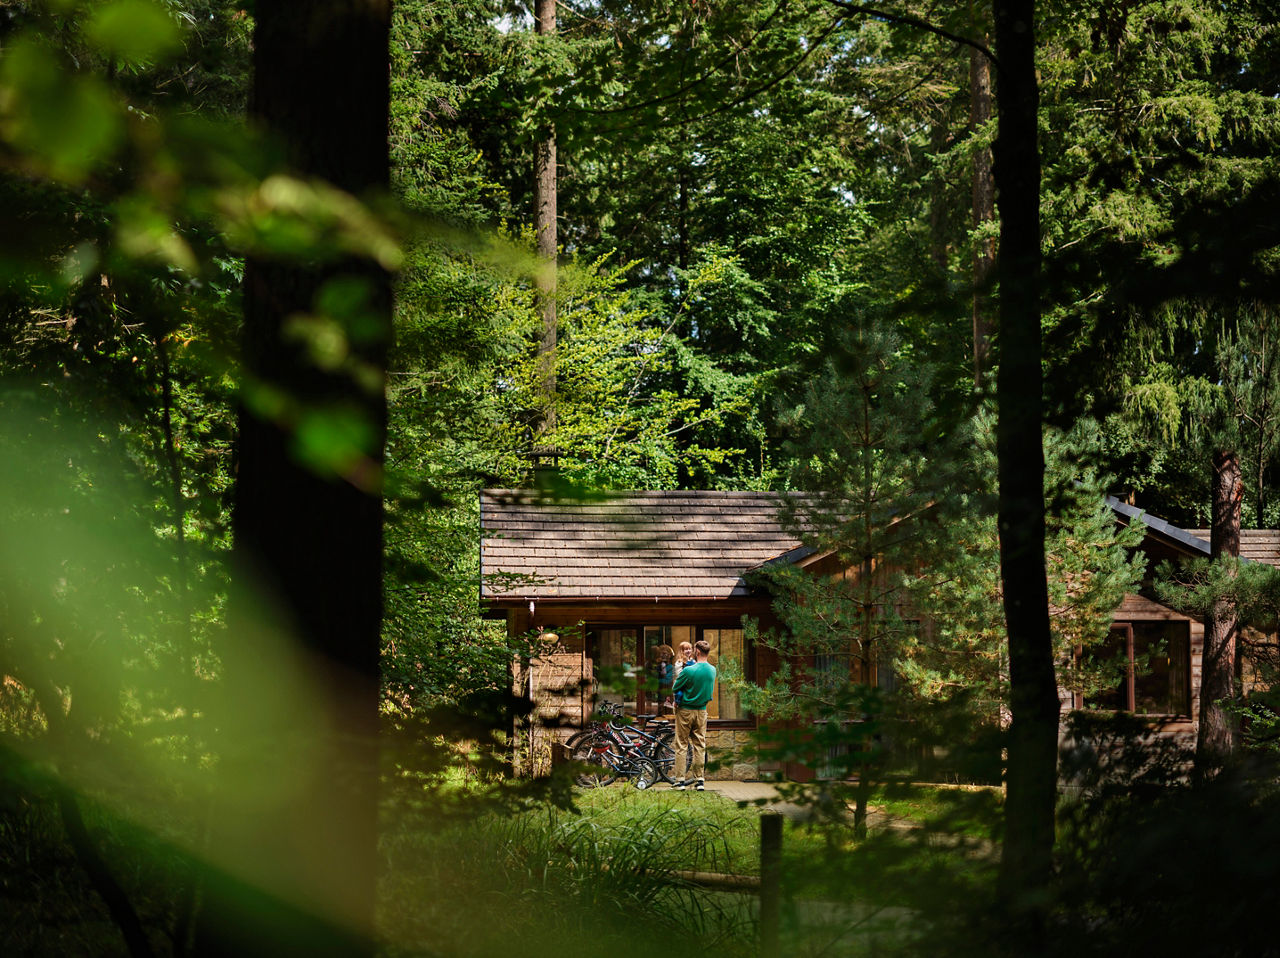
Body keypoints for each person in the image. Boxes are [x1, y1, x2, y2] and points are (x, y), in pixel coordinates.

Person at [670, 639, 715, 791]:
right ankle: (700, 780)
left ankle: (680, 781)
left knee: (682, 745)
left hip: (685, 711)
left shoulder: (688, 671)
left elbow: (676, 687)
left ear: (697, 651)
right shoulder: (712, 670)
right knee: (700, 745)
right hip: (702, 711)